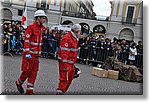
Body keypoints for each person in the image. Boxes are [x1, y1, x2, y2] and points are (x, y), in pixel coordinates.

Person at [15, 10, 47, 95]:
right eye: (43, 18)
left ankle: (29, 91)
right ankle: (19, 83)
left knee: (34, 73)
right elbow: (26, 41)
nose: (44, 20)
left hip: (36, 56)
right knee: (26, 71)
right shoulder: (31, 27)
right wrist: (27, 52)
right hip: (30, 54)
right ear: (38, 18)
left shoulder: (41, 28)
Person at [56, 24, 81, 95]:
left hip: (71, 63)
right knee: (64, 80)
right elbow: (64, 53)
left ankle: (61, 92)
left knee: (69, 79)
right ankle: (59, 93)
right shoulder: (67, 38)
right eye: (79, 32)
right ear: (77, 31)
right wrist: (65, 65)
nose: (80, 34)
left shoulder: (74, 38)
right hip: (66, 63)